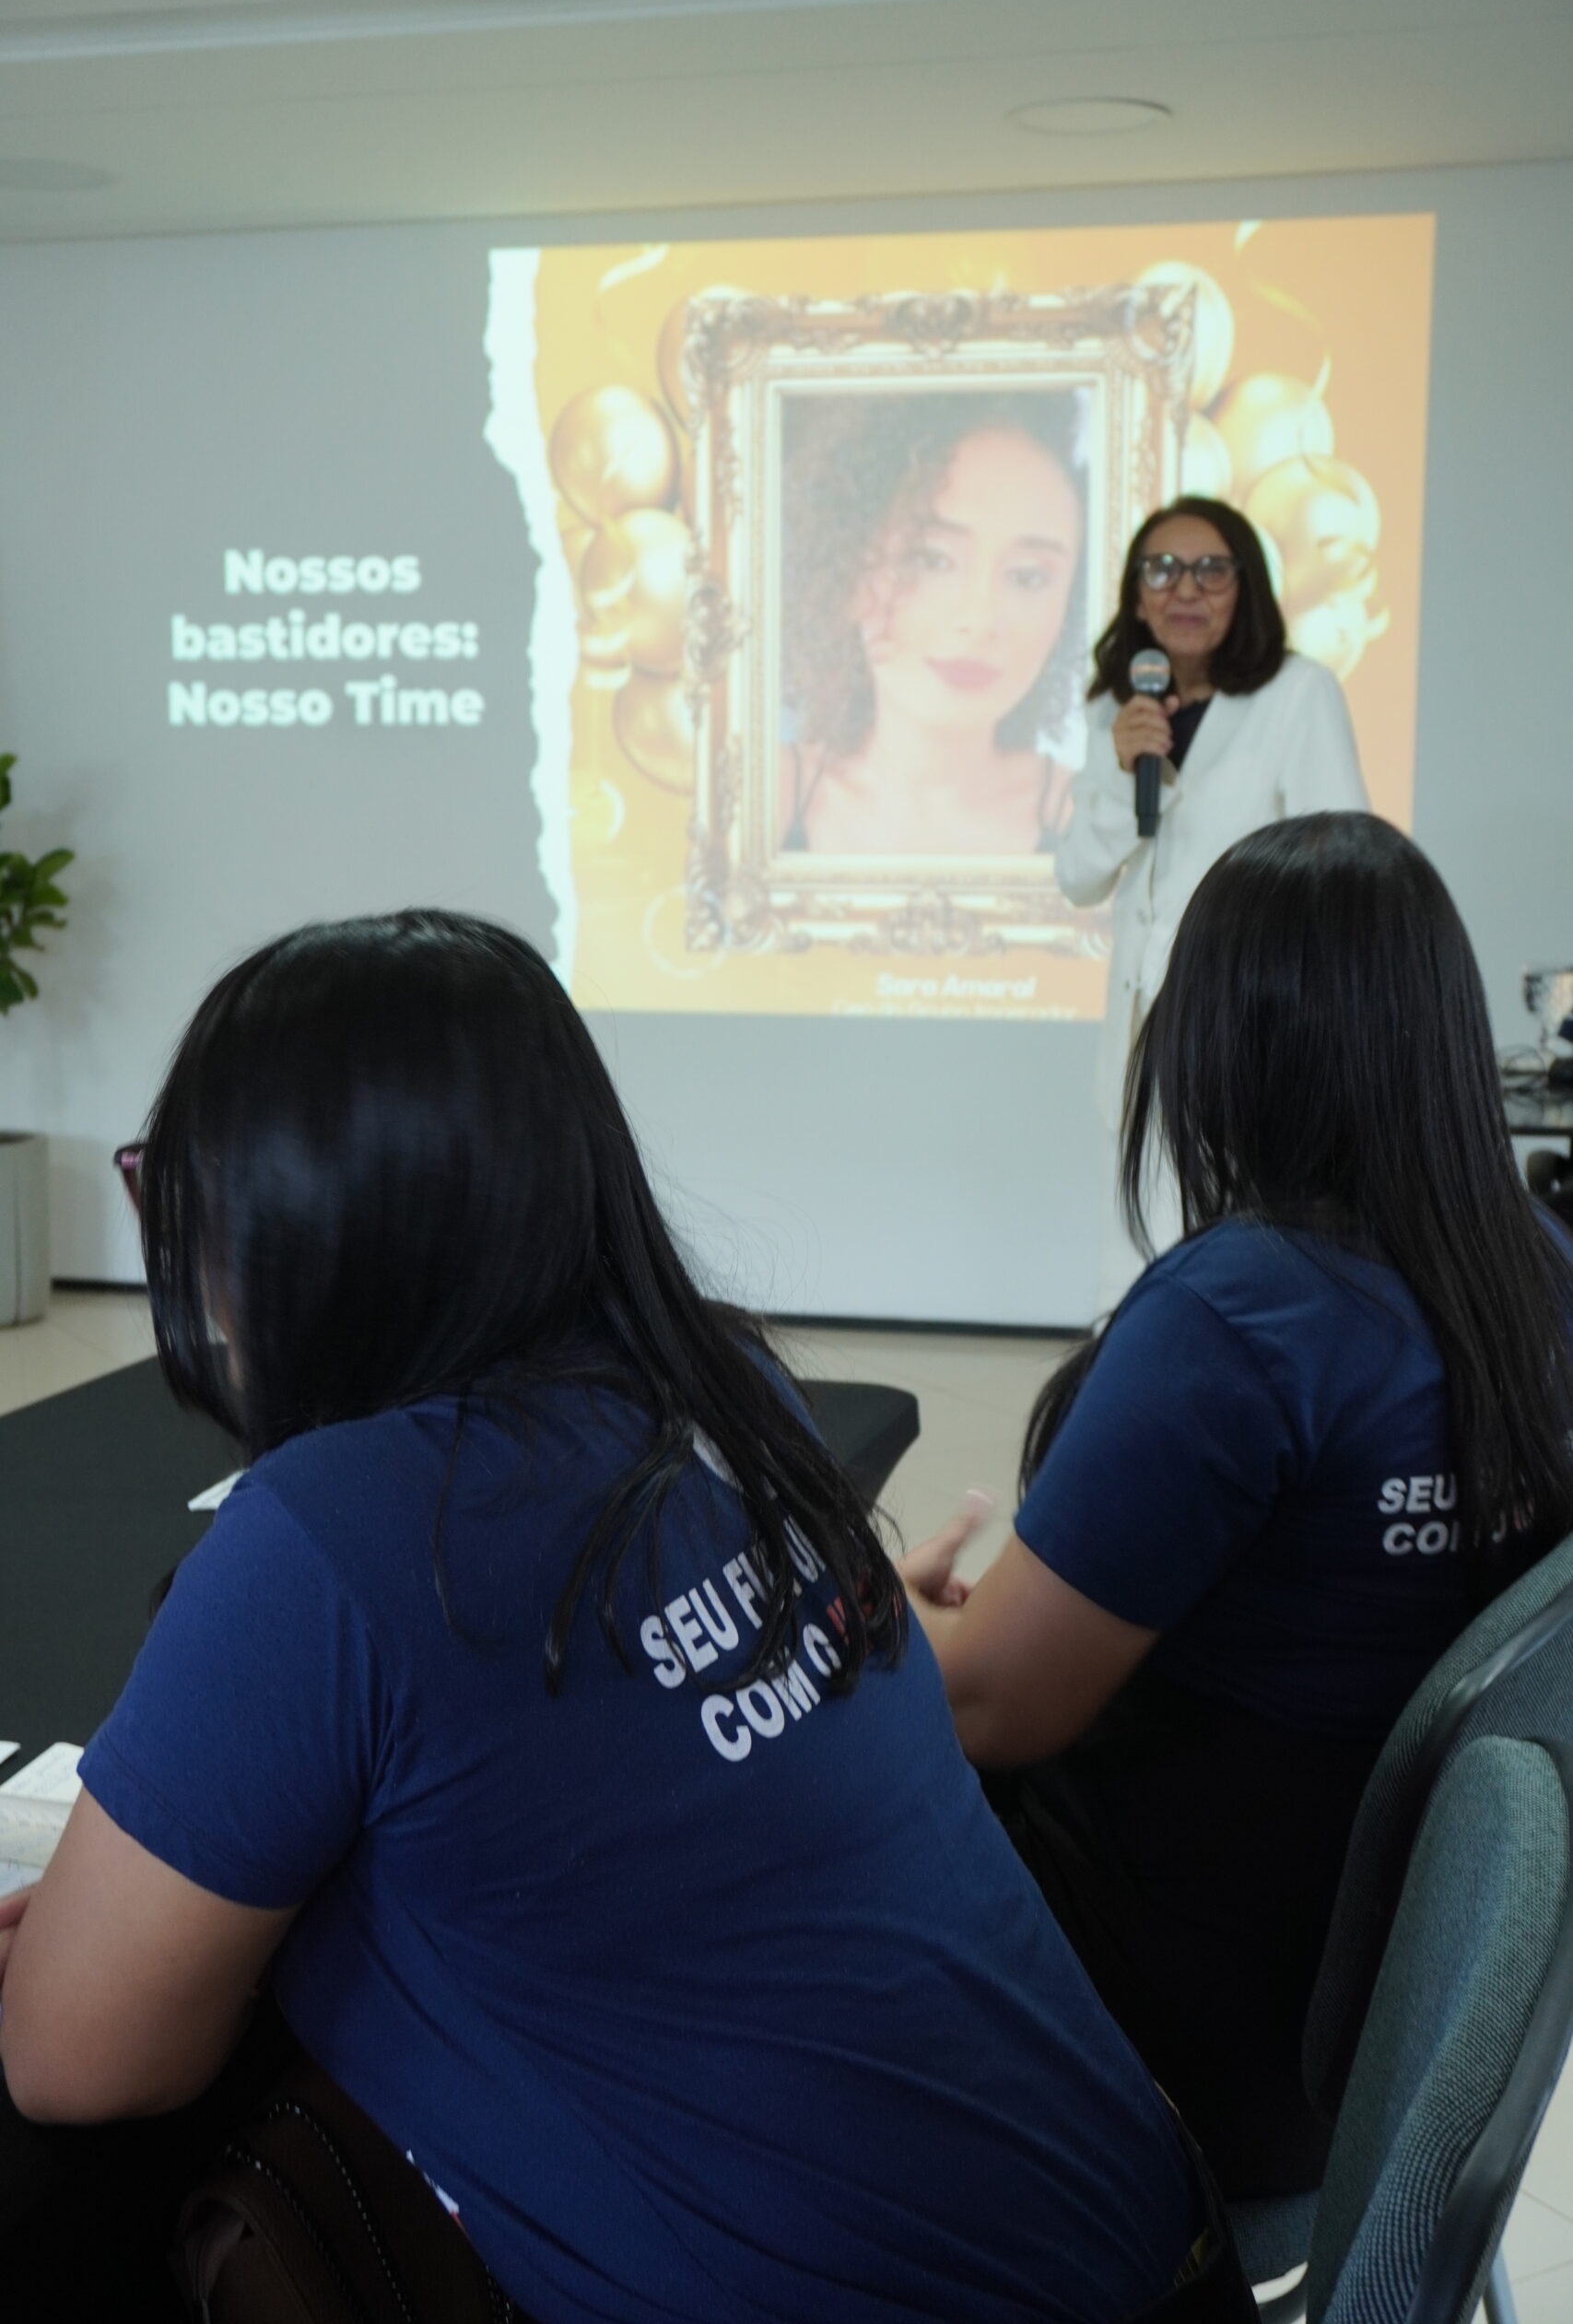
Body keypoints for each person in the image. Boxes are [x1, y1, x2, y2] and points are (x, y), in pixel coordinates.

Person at [0, 910, 1254, 2323]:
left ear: (284, 1227)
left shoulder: (323, 1538)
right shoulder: (727, 1391)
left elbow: (72, 2055)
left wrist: (128, 1933)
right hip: (1160, 2249)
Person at [900, 815, 1573, 2199]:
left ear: (1219, 1045)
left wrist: (898, 1627)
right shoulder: (1543, 1273)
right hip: (1374, 2043)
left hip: (1162, 2041)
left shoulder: (1243, 1315)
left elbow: (986, 1710)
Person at [1056, 496, 1368, 1308]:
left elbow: (1342, 862)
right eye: (1161, 569)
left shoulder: (1296, 694)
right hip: (1140, 1030)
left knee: (1241, 1248)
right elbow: (1078, 876)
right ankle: (1129, 1371)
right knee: (1133, 1254)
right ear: (1135, 595)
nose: (1185, 589)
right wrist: (1125, 775)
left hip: (1255, 1018)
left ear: (1245, 587)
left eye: (1210, 570)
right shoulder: (1115, 708)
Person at [779, 391, 1087, 856]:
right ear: (851, 570)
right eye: (931, 559)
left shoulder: (1099, 824)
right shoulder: (763, 798)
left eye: (1028, 577)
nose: (979, 619)